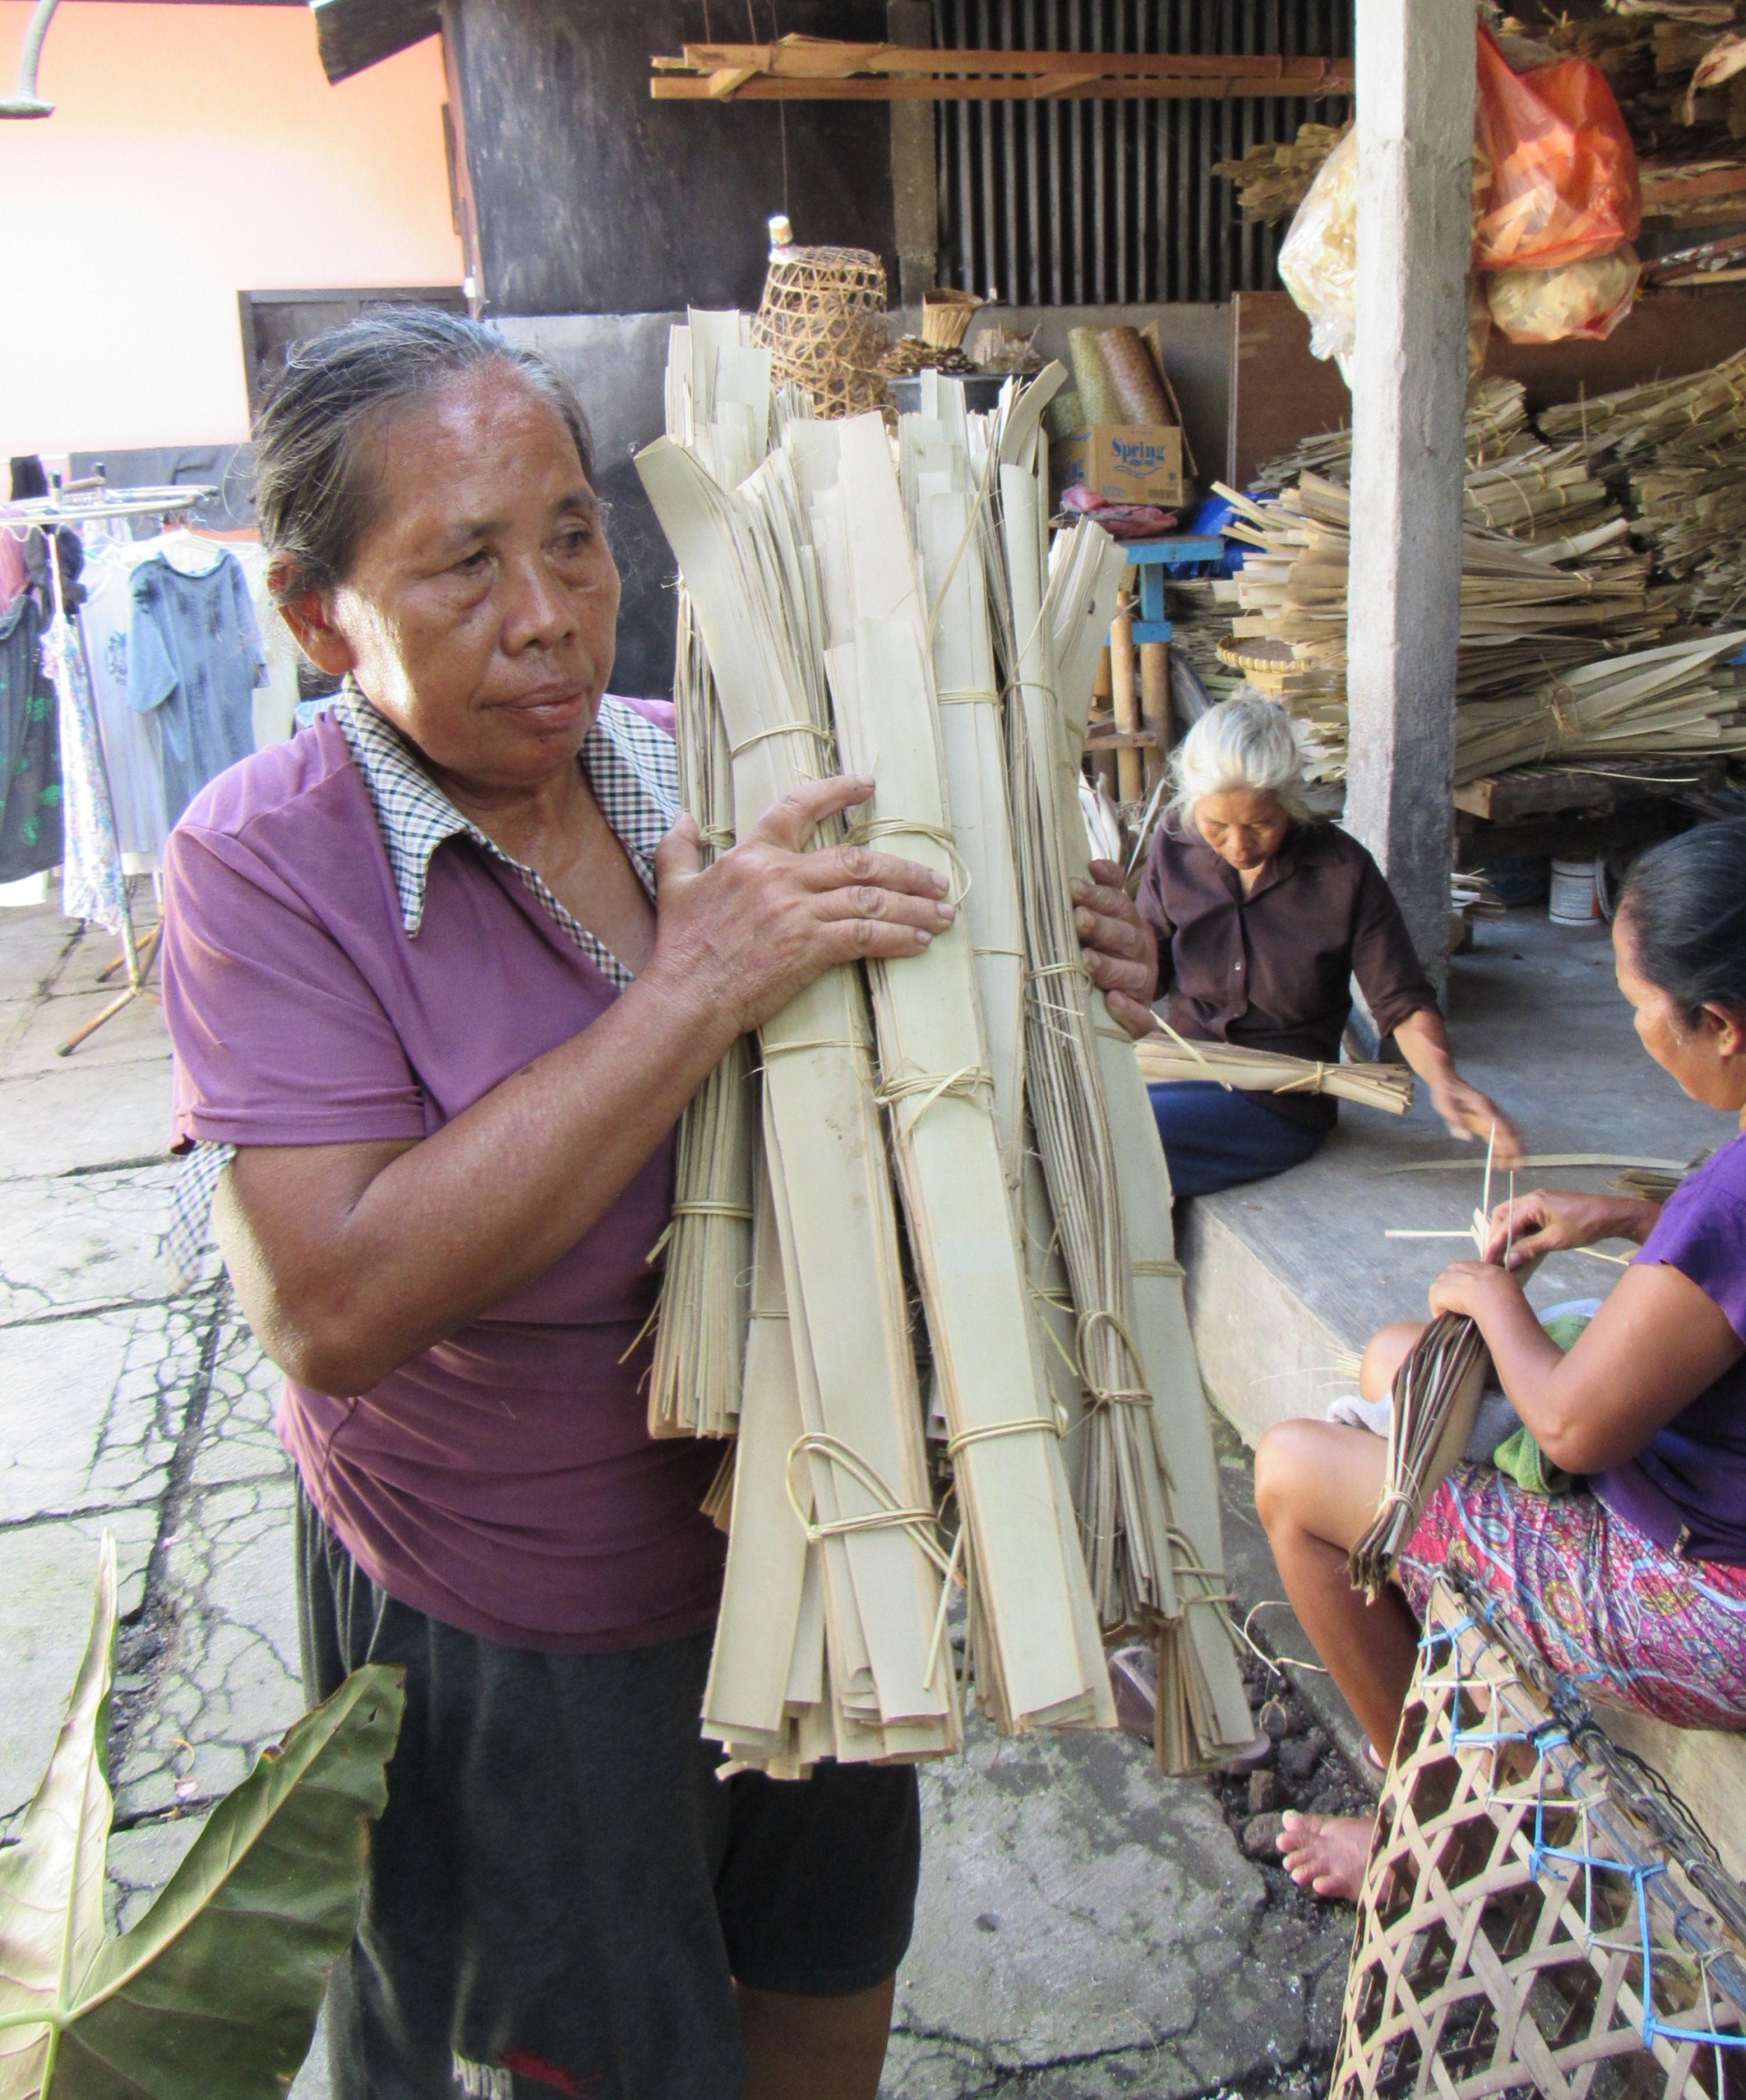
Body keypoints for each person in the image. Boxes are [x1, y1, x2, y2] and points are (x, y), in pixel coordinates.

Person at [158, 310, 1160, 2100]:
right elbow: (328, 1304)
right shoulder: (262, 864)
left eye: (571, 535)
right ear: (316, 615)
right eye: (463, 564)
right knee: (585, 2058)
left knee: (820, 1997)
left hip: (825, 1526)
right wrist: (687, 992)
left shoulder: (712, 764)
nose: (548, 612)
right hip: (519, 1610)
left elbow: (911, 1090)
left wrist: (1051, 966)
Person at [1252, 810, 1746, 1901]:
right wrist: (1625, 1216)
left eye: (1636, 1007)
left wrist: (1488, 1296)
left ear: (1720, 1023)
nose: (1633, 1030)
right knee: (1396, 1360)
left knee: (1294, 1470)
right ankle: (1467, 1711)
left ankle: (1417, 1829)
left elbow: (1574, 1427)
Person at [1134, 692, 1518, 1197]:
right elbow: (1146, 970)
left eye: (1260, 824)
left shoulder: (1341, 872)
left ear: (1289, 802)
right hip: (1175, 1070)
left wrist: (1444, 1079)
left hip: (1275, 1101)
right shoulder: (1174, 844)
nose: (1238, 845)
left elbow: (1401, 999)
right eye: (1217, 827)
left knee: (1126, 1136)